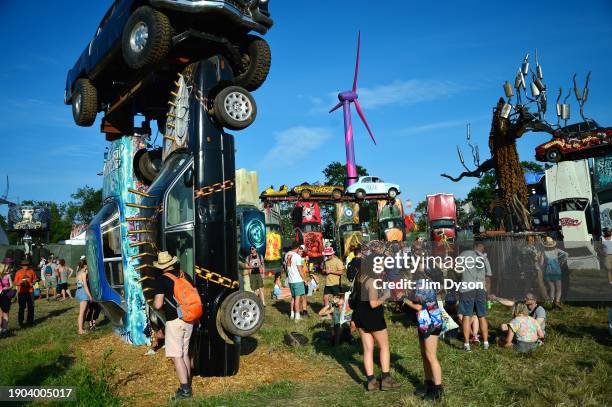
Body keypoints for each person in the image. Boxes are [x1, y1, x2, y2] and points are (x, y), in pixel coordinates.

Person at [351, 251, 402, 391]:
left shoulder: (360, 277)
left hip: (360, 316)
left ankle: (371, 382)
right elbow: (373, 303)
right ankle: (386, 379)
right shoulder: (372, 282)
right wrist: (386, 295)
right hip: (373, 316)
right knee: (384, 347)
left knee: (368, 349)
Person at [153, 251, 194, 400]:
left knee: (176, 356)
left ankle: (185, 391)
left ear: (161, 266)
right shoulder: (185, 275)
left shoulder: (161, 280)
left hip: (174, 321)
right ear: (172, 263)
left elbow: (158, 304)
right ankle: (187, 384)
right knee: (184, 353)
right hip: (190, 318)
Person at [403, 269, 444, 401]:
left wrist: (404, 299)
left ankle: (438, 391)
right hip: (424, 322)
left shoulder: (422, 284)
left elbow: (419, 307)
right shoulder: (418, 283)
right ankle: (429, 386)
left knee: (431, 356)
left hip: (432, 322)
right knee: (425, 355)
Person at [457, 242, 492, 351]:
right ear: (481, 249)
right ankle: (486, 343)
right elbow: (488, 278)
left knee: (467, 316)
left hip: (467, 288)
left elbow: (456, 270)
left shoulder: (464, 254)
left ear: (474, 247)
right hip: (480, 289)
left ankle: (467, 344)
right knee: (482, 316)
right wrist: (488, 293)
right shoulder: (484, 258)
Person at [541, 237, 568, 309]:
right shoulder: (557, 250)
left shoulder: (543, 253)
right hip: (556, 271)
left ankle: (552, 302)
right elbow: (566, 254)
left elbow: (541, 264)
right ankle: (557, 302)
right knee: (559, 288)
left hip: (548, 272)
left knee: (552, 288)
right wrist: (561, 262)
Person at [285, 242, 306, 321]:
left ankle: (292, 314)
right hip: (297, 280)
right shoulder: (297, 256)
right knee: (297, 298)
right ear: (297, 248)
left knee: (293, 298)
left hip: (290, 280)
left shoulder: (287, 255)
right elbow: (300, 269)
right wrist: (305, 279)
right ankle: (297, 316)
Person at [14, 259, 37, 327]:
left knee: (31, 307)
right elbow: (15, 283)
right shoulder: (18, 272)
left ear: (28, 265)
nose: (25, 266)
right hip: (21, 292)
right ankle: (21, 322)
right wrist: (20, 282)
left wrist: (32, 283)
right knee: (22, 307)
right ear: (21, 266)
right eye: (24, 265)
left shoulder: (31, 271)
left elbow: (35, 279)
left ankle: (30, 322)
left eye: (26, 265)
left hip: (30, 292)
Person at [322, 247, 345, 313]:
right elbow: (323, 271)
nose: (327, 256)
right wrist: (325, 271)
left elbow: (341, 272)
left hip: (335, 284)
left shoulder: (338, 261)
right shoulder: (326, 261)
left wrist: (331, 272)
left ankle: (340, 313)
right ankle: (327, 312)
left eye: (329, 255)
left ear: (332, 254)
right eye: (326, 255)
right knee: (325, 298)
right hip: (327, 283)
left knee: (337, 300)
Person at [75, 260, 93, 335]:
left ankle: (82, 328)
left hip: (79, 291)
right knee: (82, 312)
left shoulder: (79, 273)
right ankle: (80, 330)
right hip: (83, 292)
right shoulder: (83, 273)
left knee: (84, 311)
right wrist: (90, 295)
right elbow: (85, 285)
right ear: (85, 265)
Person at [0, 259, 14, 336]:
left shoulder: (8, 275)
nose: (8, 269)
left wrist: (7, 288)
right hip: (0, 295)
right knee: (0, 314)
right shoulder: (0, 275)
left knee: (5, 313)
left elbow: (12, 285)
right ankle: (1, 329)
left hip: (5, 295)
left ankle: (4, 330)